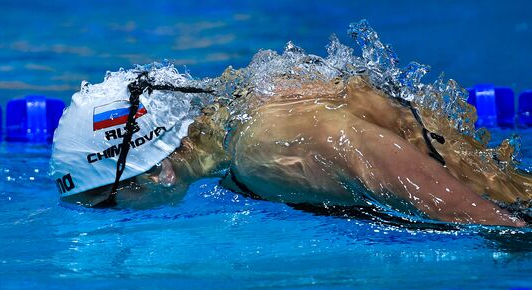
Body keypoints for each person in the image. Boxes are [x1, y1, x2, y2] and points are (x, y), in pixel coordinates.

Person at [51, 64, 531, 227]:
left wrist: (509, 234)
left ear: (157, 171)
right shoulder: (243, 110)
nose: (110, 216)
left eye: (105, 203)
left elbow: (466, 210)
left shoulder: (262, 151)